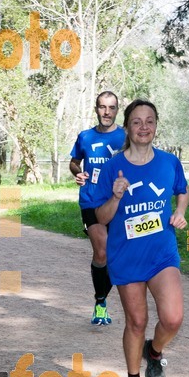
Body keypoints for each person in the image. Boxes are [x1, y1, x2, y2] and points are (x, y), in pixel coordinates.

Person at [91, 99, 189, 377]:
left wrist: (180, 212)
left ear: (156, 127)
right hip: (127, 255)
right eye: (136, 121)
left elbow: (182, 191)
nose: (143, 126)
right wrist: (117, 196)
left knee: (172, 319)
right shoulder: (111, 167)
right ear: (127, 128)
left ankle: (155, 352)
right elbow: (102, 217)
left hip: (161, 253)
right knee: (137, 321)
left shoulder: (169, 162)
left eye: (149, 121)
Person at [69, 91, 126, 325]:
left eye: (111, 108)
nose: (107, 112)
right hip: (91, 200)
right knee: (101, 252)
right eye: (102, 107)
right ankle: (100, 302)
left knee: (116, 256)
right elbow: (74, 162)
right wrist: (77, 172)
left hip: (119, 202)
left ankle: (101, 298)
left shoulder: (126, 136)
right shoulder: (85, 137)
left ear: (117, 110)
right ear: (96, 109)